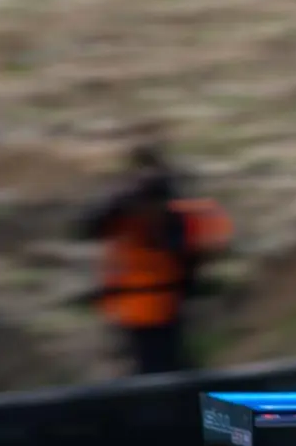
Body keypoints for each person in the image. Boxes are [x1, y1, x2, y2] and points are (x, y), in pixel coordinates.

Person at [74, 145, 231, 376]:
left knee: (165, 369)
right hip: (139, 308)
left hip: (160, 307)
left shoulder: (171, 213)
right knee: (159, 370)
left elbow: (188, 250)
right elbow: (89, 227)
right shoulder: (122, 211)